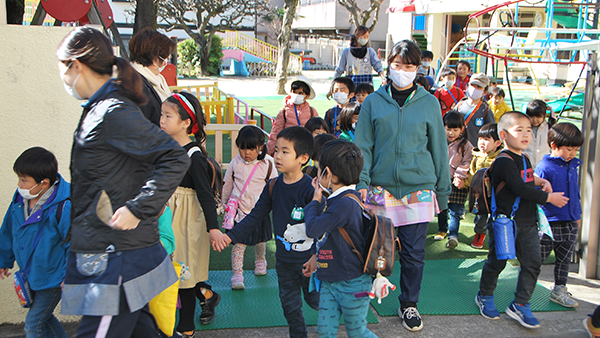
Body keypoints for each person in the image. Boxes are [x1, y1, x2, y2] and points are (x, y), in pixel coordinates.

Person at [57, 27, 189, 338]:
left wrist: (138, 208)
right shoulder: (101, 108)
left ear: (76, 65)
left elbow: (174, 157)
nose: (62, 77)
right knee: (142, 331)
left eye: (62, 68)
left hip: (116, 254)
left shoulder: (111, 111)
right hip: (116, 251)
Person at [355, 40, 451, 332]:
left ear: (418, 68)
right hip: (380, 188)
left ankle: (408, 303)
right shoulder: (373, 102)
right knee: (374, 249)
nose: (403, 71)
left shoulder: (430, 102)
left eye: (409, 66)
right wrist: (361, 180)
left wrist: (443, 192)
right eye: (397, 66)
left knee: (413, 252)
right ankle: (365, 297)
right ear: (388, 67)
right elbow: (364, 146)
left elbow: (438, 149)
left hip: (418, 188)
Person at [213, 126, 319, 338]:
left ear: (303, 158)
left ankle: (344, 315)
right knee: (290, 307)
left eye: (285, 151)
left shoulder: (311, 189)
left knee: (315, 301)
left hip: (310, 262)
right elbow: (254, 216)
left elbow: (321, 229)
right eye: (276, 150)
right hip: (284, 261)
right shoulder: (273, 186)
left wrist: (317, 256)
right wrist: (230, 236)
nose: (277, 156)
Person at [476, 112, 569, 329]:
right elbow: (518, 187)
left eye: (528, 130)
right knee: (497, 261)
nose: (526, 134)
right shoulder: (503, 161)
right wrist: (549, 198)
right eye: (519, 130)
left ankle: (520, 303)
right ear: (504, 135)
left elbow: (526, 178)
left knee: (532, 262)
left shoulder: (524, 157)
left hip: (527, 222)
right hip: (505, 222)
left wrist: (540, 180)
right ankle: (485, 295)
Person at [160, 92, 222, 336]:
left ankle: (186, 327)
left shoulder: (193, 155)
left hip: (185, 220)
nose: (161, 120)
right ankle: (205, 296)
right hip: (165, 215)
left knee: (183, 275)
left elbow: (205, 195)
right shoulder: (164, 146)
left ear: (186, 123)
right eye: (161, 114)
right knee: (165, 269)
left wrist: (213, 228)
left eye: (168, 115)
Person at [304, 140, 378, 338]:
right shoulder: (337, 199)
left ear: (328, 173)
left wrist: (314, 201)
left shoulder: (344, 205)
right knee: (325, 331)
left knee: (358, 333)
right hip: (330, 279)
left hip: (351, 282)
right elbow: (324, 236)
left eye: (319, 170)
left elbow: (312, 228)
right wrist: (314, 257)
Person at [0, 147, 70, 338]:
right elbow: (8, 228)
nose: (19, 184)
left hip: (54, 278)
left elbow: (74, 243)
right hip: (31, 274)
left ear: (44, 183)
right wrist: (4, 260)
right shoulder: (20, 198)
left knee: (33, 325)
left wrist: (70, 275)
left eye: (24, 180)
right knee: (44, 319)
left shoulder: (65, 205)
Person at [222, 125, 278, 290]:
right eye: (242, 148)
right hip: (240, 211)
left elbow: (274, 185)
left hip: (259, 212)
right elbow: (228, 184)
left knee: (261, 240)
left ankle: (260, 261)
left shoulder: (268, 163)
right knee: (238, 243)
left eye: (251, 149)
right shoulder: (235, 163)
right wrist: (225, 204)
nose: (246, 153)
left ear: (260, 147)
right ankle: (237, 274)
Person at [535, 122, 584, 308]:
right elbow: (537, 195)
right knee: (537, 259)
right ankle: (524, 287)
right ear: (554, 145)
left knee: (564, 260)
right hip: (549, 222)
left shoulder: (572, 165)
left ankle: (560, 289)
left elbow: (575, 192)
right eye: (569, 149)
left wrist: (577, 215)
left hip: (569, 221)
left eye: (576, 150)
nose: (573, 153)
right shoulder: (544, 167)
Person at [435, 111, 473, 247]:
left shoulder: (466, 145)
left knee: (455, 210)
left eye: (455, 130)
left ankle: (453, 235)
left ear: (462, 129)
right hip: (440, 180)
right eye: (448, 129)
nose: (451, 133)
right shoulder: (437, 141)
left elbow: (467, 161)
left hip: (457, 182)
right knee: (441, 207)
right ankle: (442, 229)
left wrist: (460, 175)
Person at [464, 123, 503, 249]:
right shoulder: (477, 155)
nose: (482, 142)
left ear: (497, 143)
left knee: (497, 216)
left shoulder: (501, 157)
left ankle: (497, 238)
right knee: (480, 215)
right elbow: (472, 173)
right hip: (480, 192)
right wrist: (467, 184)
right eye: (480, 138)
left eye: (486, 139)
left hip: (496, 193)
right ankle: (479, 234)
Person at [129, 28, 176, 126]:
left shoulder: (156, 79)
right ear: (155, 59)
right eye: (165, 58)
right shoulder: (136, 85)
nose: (165, 63)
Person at [267, 76, 318, 155]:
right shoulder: (284, 110)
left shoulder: (312, 111)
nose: (297, 95)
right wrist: (269, 151)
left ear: (307, 96)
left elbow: (316, 133)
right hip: (288, 148)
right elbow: (276, 131)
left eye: (300, 93)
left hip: (305, 149)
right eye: (294, 92)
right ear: (290, 92)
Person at [456, 73, 494, 147]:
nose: (474, 89)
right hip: (457, 150)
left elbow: (490, 133)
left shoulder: (485, 110)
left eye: (479, 87)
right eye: (472, 85)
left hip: (475, 151)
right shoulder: (459, 105)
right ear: (467, 87)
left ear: (485, 92)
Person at [524, 99, 553, 168]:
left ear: (545, 115)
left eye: (538, 117)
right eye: (531, 116)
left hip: (544, 165)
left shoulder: (549, 128)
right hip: (526, 165)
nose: (535, 120)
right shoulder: (523, 128)